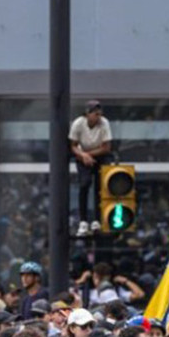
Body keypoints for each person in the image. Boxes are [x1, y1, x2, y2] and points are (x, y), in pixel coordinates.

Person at [69, 99, 112, 237]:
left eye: (99, 114)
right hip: (83, 155)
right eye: (95, 114)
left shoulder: (104, 123)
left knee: (101, 185)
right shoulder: (78, 124)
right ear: (88, 114)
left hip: (99, 154)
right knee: (85, 183)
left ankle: (97, 220)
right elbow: (73, 145)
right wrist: (82, 156)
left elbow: (106, 147)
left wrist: (88, 154)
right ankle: (83, 220)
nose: (98, 117)